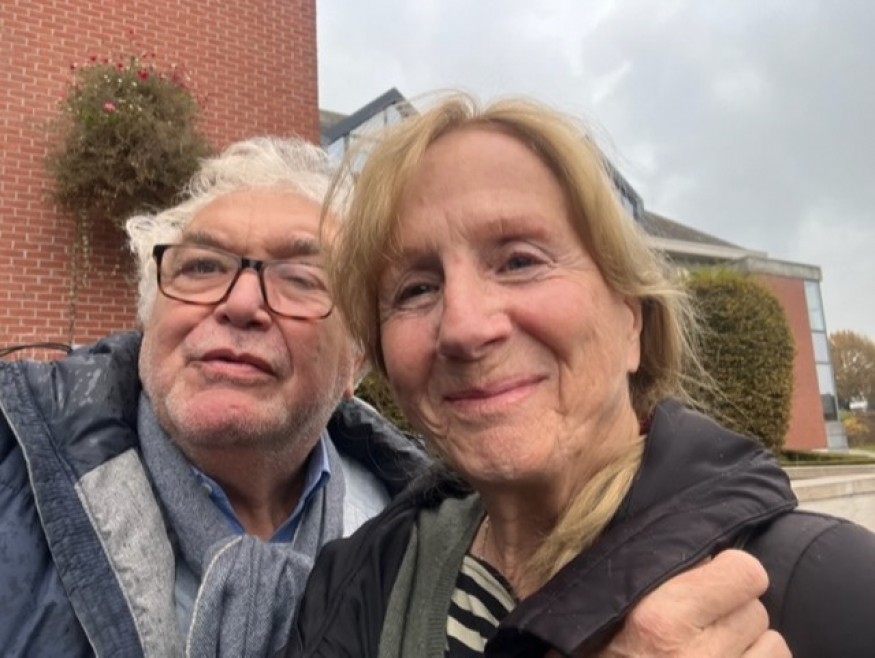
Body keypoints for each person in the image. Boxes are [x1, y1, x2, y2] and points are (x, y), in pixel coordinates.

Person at [289, 94, 875, 658]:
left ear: (632, 321)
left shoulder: (823, 590)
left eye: (520, 261)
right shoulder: (354, 582)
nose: (464, 327)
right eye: (417, 289)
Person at [0, 137, 429, 657]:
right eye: (202, 267)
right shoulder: (11, 475)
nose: (241, 303)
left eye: (301, 278)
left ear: (356, 361)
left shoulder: (423, 538)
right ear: (151, 319)